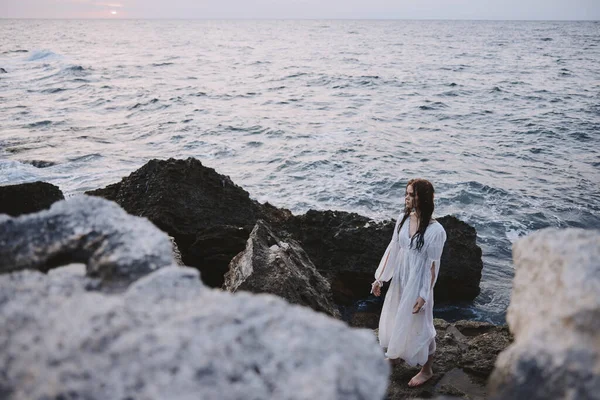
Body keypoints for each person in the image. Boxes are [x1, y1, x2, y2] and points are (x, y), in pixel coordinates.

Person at [371, 178, 447, 388]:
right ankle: (395, 356)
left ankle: (427, 369)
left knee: (424, 325)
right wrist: (381, 278)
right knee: (397, 315)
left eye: (411, 194)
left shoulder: (436, 231)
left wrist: (424, 295)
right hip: (401, 278)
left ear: (422, 198)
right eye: (406, 193)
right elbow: (393, 250)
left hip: (420, 282)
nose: (406, 198)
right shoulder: (403, 219)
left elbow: (432, 267)